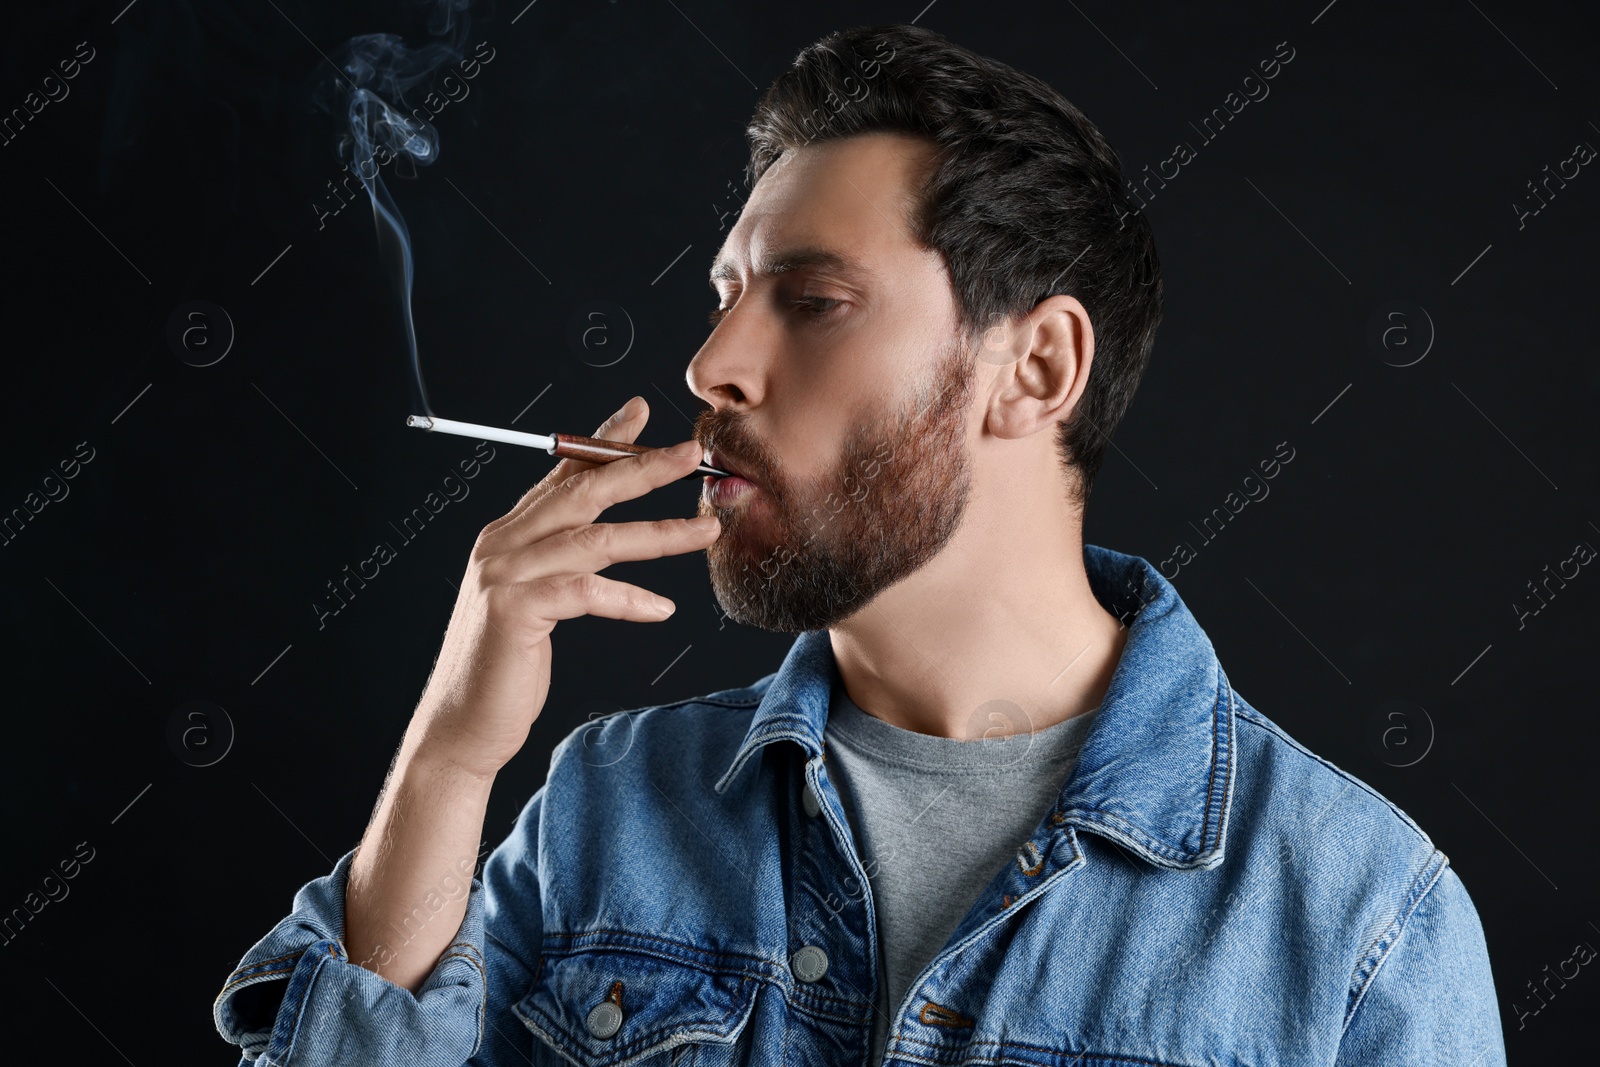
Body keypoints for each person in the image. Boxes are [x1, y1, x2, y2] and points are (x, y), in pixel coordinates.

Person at [214, 22, 1506, 1066]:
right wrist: (451, 756)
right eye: (725, 298)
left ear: (1036, 366)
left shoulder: (1356, 924)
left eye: (814, 303)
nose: (713, 364)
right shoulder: (606, 812)